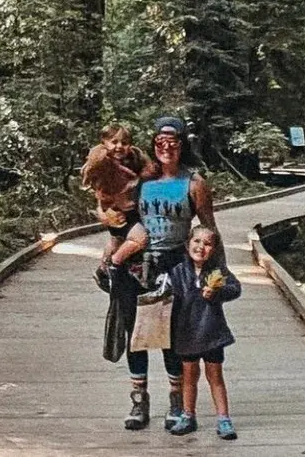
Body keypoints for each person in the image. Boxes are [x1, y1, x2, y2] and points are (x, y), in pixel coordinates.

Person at [121, 115, 218, 433]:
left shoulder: (194, 183)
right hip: (137, 264)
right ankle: (139, 400)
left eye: (172, 143)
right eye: (159, 143)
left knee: (172, 336)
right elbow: (118, 221)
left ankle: (176, 402)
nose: (165, 148)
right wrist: (109, 259)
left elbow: (207, 227)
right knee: (135, 336)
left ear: (182, 145)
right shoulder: (141, 182)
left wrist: (216, 272)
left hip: (177, 265)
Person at [166, 226, 241, 439]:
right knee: (189, 376)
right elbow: (165, 293)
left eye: (207, 244)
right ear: (188, 243)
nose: (201, 247)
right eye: (197, 241)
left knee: (215, 375)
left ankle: (224, 418)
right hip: (186, 332)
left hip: (211, 332)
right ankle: (188, 415)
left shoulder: (218, 271)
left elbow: (235, 289)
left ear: (214, 249)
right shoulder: (178, 271)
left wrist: (218, 292)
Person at [80, 124, 153, 279]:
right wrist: (101, 151)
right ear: (104, 143)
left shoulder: (132, 158)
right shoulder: (104, 162)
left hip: (130, 209)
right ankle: (114, 263)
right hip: (116, 211)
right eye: (114, 142)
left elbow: (149, 169)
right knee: (140, 239)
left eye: (124, 143)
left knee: (116, 241)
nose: (119, 147)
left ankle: (103, 269)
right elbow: (91, 167)